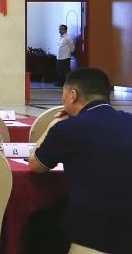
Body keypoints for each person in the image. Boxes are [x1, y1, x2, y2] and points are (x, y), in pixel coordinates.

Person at [29, 68, 132, 254]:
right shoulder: (128, 120)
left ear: (72, 95)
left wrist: (53, 124)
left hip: (95, 234)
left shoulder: (68, 128)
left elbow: (35, 164)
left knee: (38, 223)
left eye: (63, 94)